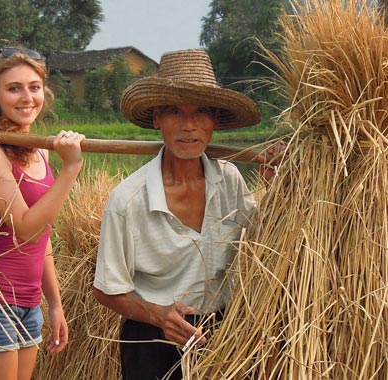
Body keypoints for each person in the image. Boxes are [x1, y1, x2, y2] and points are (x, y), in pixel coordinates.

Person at [92, 49, 263, 380]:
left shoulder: (229, 181)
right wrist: (158, 315)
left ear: (214, 120)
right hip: (152, 339)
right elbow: (106, 289)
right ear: (157, 119)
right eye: (175, 112)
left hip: (224, 335)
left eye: (200, 113)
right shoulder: (128, 200)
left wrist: (282, 184)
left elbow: (264, 240)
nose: (189, 126)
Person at [0, 46, 85, 380]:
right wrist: (72, 167)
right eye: (13, 88)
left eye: (33, 87)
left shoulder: (40, 153)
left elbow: (42, 238)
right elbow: (25, 227)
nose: (26, 97)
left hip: (29, 304)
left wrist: (54, 303)